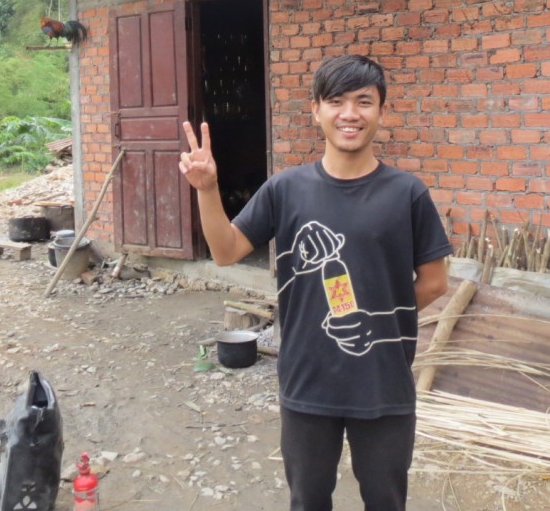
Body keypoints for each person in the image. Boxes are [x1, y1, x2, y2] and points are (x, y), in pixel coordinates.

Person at [179, 53, 452, 511]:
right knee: (307, 500)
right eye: (337, 101)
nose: (350, 114)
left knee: (386, 500)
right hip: (308, 382)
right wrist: (208, 189)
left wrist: (377, 323)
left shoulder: (407, 193)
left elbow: (434, 282)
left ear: (381, 111)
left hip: (383, 385)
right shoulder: (286, 189)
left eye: (364, 102)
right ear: (316, 111)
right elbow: (225, 251)